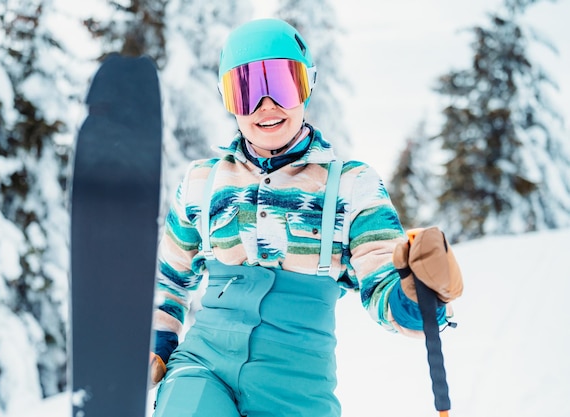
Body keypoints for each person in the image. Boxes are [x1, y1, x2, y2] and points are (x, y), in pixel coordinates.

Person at [149, 18, 463, 417]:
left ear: (306, 85)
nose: (266, 106)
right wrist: (157, 344)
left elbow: (384, 284)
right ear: (227, 99)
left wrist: (418, 296)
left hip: (294, 389)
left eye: (281, 84)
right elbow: (169, 281)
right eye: (246, 90)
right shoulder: (202, 182)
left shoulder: (351, 186)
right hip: (203, 367)